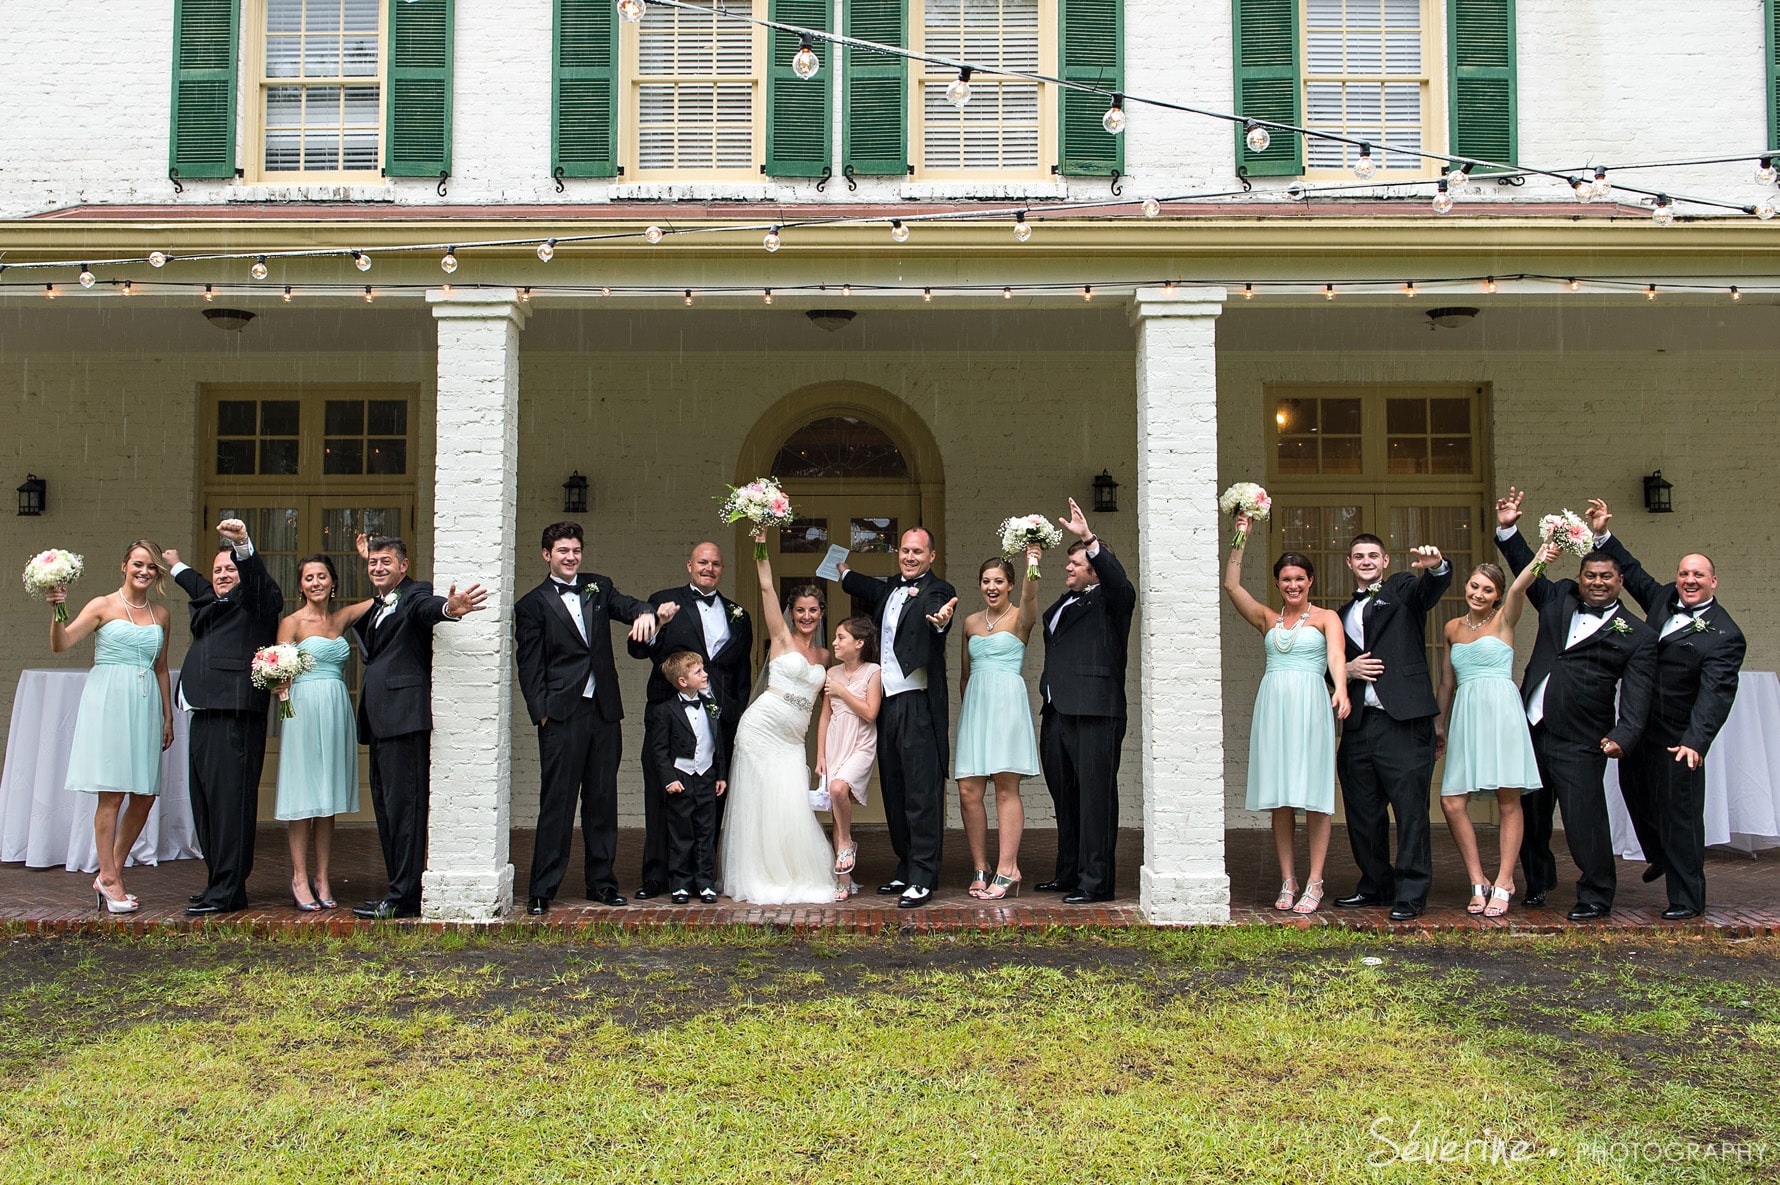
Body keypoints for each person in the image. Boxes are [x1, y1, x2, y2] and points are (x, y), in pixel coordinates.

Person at [1495, 488, 1656, 921]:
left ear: (1619, 581)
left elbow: (1639, 692)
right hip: (1531, 729)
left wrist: (1623, 735)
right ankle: (1537, 881)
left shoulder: (1636, 634)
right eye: (1591, 576)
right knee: (1529, 815)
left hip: (1583, 739)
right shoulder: (1559, 598)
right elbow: (1525, 571)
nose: (1597, 582)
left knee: (1584, 819)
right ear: (1581, 577)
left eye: (1606, 577)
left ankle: (1597, 893)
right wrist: (1509, 530)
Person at [1587, 499, 1746, 920]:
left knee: (1680, 817)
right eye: (1684, 573)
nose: (1689, 580)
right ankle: (1657, 854)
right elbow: (1633, 571)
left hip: (1678, 737)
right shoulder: (1662, 599)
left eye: (1698, 575)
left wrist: (1696, 741)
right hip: (1639, 727)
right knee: (1634, 793)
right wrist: (1602, 535)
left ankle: (1687, 900)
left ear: (1714, 581)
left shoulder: (1726, 635)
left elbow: (1717, 693)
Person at [513, 521, 669, 915]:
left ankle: (601, 884)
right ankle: (542, 889)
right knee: (557, 803)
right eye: (563, 551)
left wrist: (649, 612)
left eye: (576, 551)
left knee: (602, 801)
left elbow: (629, 606)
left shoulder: (599, 586)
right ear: (547, 555)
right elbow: (528, 667)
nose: (570, 557)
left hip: (603, 712)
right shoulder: (531, 604)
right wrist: (542, 714)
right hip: (561, 716)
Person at [350, 536, 488, 920]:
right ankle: (396, 890)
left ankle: (404, 897)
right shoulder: (380, 602)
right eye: (373, 563)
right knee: (386, 810)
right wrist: (372, 558)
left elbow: (428, 609)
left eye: (386, 562)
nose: (378, 568)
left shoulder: (415, 594)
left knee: (405, 811)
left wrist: (449, 608)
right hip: (379, 722)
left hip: (404, 719)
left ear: (404, 566)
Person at [1223, 523, 1349, 913]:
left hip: (1311, 704)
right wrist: (1240, 536)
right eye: (1285, 579)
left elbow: (1336, 657)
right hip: (1274, 706)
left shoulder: (1327, 617)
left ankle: (1315, 880)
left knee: (1313, 796)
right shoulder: (1267, 619)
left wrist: (1341, 688)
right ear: (1278, 584)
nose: (1292, 585)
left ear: (1310, 581)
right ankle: (1288, 879)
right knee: (1281, 799)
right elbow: (1231, 586)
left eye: (1299, 578)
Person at [163, 519, 283, 917]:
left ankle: (230, 889)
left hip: (235, 714)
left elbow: (255, 579)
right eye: (217, 570)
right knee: (207, 805)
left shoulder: (257, 599)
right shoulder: (211, 602)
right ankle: (219, 882)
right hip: (201, 713)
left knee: (232, 805)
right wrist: (176, 565)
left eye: (229, 569)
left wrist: (244, 545)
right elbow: (196, 584)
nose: (222, 575)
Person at [46, 540, 174, 914]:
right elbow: (62, 642)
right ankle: (110, 876)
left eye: (151, 567)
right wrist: (56, 609)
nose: (144, 572)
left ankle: (110, 872)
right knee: (112, 794)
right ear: (124, 566)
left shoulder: (162, 614)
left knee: (145, 794)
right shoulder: (102, 605)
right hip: (108, 702)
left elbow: (161, 667)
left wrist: (168, 715)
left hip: (146, 702)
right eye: (138, 564)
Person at [1333, 532, 1451, 921]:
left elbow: (1429, 590)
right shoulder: (1338, 616)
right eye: (1358, 556)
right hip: (1359, 725)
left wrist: (1435, 567)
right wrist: (1346, 671)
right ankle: (1375, 885)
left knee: (1411, 811)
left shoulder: (1402, 589)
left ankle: (1411, 893)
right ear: (1349, 564)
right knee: (1363, 813)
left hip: (1404, 721)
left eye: (1372, 555)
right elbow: (1326, 668)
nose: (1366, 560)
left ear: (1384, 561)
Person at [840, 528, 959, 908]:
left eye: (917, 552)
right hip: (886, 703)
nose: (910, 557)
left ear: (931, 556)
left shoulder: (937, 590)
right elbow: (868, 588)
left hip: (917, 701)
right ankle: (906, 866)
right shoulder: (891, 586)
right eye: (905, 550)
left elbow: (939, 617)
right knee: (893, 786)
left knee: (921, 789)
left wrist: (940, 621)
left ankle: (924, 875)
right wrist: (843, 573)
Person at [629, 541, 752, 900]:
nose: (709, 568)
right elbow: (638, 650)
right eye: (702, 562)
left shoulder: (737, 613)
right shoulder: (665, 600)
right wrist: (658, 624)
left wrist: (735, 708)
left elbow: (740, 667)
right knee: (661, 794)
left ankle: (702, 876)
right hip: (669, 714)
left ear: (722, 569)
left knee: (708, 802)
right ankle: (656, 877)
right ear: (689, 565)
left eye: (715, 563)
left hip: (716, 718)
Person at [718, 530, 836, 904]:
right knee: (760, 801)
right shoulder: (782, 638)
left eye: (812, 610)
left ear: (821, 613)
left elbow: (829, 708)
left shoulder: (826, 657)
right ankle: (758, 874)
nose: (805, 616)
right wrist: (760, 541)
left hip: (791, 740)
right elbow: (766, 587)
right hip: (761, 728)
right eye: (800, 610)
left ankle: (793, 872)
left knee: (790, 805)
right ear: (792, 612)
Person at [1433, 555, 1546, 918]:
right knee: (1452, 801)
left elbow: (1520, 585)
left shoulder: (1504, 619)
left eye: (1487, 589)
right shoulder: (1451, 627)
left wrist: (1548, 550)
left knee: (1507, 798)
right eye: (1474, 585)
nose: (1478, 593)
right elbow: (1447, 682)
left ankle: (1505, 880)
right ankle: (1477, 879)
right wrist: (1439, 723)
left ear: (1497, 596)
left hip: (1501, 712)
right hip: (1466, 714)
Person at [1037, 499, 1136, 905]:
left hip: (1096, 710)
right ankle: (1069, 872)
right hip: (1058, 710)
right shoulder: (1064, 602)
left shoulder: (1113, 600)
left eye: (1075, 563)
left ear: (1095, 567)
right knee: (1066, 797)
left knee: (1096, 797)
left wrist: (1089, 539)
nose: (1068, 568)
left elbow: (1120, 583)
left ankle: (1097, 882)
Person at [273, 553, 375, 911]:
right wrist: (281, 694)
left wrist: (367, 559)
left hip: (336, 708)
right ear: (300, 585)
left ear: (333, 582)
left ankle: (323, 876)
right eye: (308, 578)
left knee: (327, 798)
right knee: (304, 796)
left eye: (322, 577)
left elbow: (382, 597)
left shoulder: (341, 618)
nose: (315, 583)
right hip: (303, 708)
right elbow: (280, 673)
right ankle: (300, 877)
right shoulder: (292, 623)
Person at [954, 549, 1043, 901]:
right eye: (986, 581)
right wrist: (971, 712)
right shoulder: (970, 623)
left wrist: (1032, 564)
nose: (992, 587)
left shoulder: (1022, 618)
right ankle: (981, 866)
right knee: (969, 791)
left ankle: (1009, 867)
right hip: (977, 707)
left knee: (1006, 788)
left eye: (999, 582)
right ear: (980, 585)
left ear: (1010, 585)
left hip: (1007, 706)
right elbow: (964, 675)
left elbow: (1031, 594)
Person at [647, 652, 729, 904]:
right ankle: (680, 882)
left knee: (706, 831)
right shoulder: (665, 711)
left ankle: (704, 882)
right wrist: (669, 779)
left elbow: (718, 744)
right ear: (682, 681)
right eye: (698, 672)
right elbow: (659, 750)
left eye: (703, 669)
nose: (705, 674)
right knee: (681, 833)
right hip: (681, 778)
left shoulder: (711, 705)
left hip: (706, 776)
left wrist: (721, 775)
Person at [815, 616, 881, 900]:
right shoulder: (831, 673)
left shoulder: (873, 671)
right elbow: (826, 715)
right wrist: (820, 755)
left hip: (861, 741)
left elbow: (870, 712)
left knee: (839, 787)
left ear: (859, 643)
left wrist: (843, 692)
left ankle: (846, 842)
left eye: (841, 637)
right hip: (835, 740)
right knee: (834, 800)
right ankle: (843, 879)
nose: (834, 643)